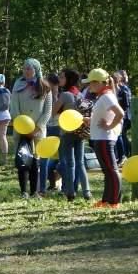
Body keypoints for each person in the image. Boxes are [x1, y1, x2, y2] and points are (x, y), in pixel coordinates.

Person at [9, 58, 52, 200]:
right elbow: (13, 107)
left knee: (35, 161)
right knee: (22, 160)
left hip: (37, 131)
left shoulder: (45, 86)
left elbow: (47, 110)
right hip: (21, 129)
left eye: (29, 68)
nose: (26, 71)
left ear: (36, 70)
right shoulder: (17, 84)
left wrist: (38, 127)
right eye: (24, 68)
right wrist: (20, 124)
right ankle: (24, 191)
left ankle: (35, 192)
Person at [84, 69, 124, 208]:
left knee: (111, 170)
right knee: (107, 171)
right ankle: (106, 200)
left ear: (99, 82)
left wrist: (109, 126)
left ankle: (114, 202)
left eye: (91, 82)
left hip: (104, 139)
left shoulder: (107, 96)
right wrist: (91, 119)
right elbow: (106, 115)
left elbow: (120, 113)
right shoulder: (104, 95)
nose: (89, 85)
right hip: (100, 138)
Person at [54, 69, 86, 201]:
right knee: (80, 162)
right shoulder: (80, 94)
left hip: (67, 132)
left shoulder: (64, 95)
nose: (59, 79)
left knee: (69, 163)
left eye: (62, 77)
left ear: (68, 79)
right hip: (80, 132)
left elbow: (53, 111)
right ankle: (87, 191)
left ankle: (70, 191)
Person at [114, 70, 132, 164]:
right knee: (120, 136)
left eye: (115, 78)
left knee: (120, 136)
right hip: (116, 116)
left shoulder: (124, 89)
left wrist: (121, 116)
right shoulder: (114, 89)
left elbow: (126, 105)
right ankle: (122, 155)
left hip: (124, 117)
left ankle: (124, 155)